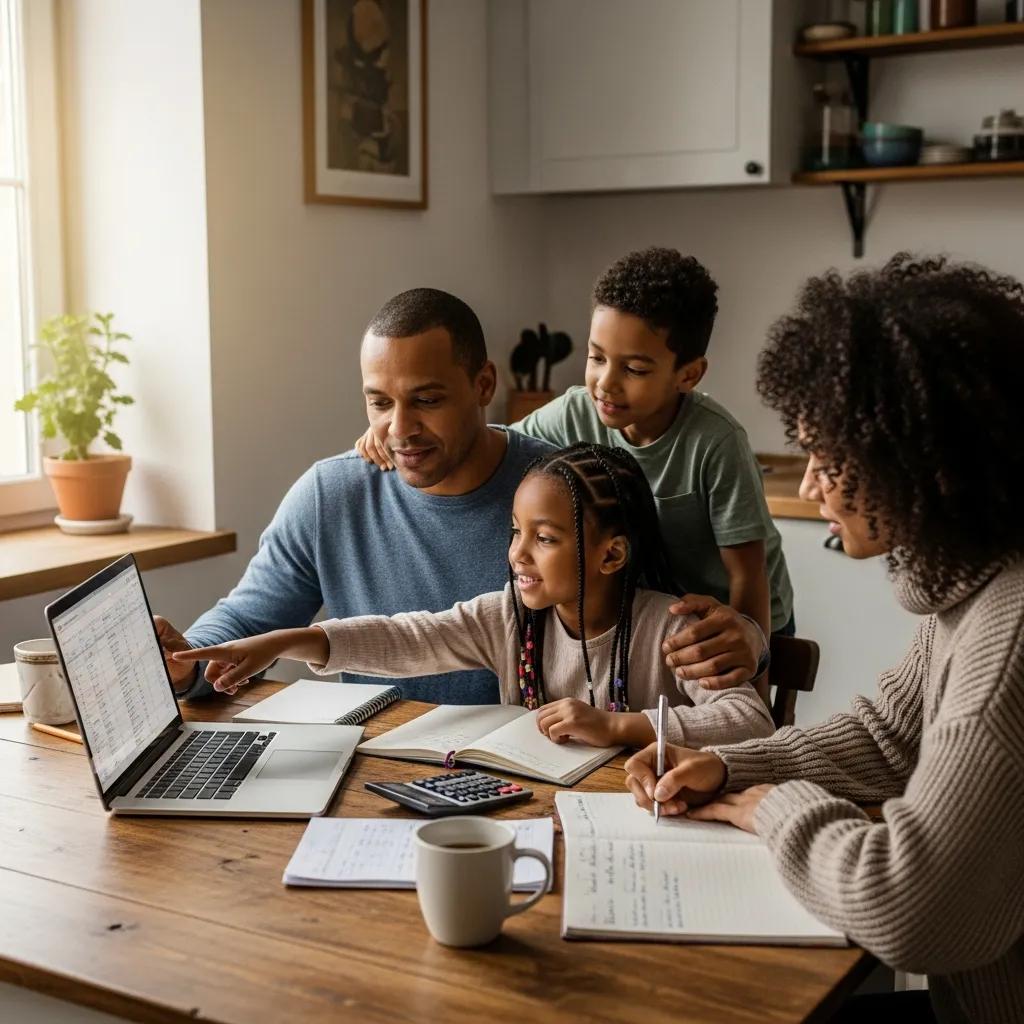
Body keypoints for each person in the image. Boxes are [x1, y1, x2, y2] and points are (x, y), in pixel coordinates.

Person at [623, 254, 1024, 1023]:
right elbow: (888, 734)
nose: (807, 487)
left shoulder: (1006, 633)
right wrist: (727, 763)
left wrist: (770, 806)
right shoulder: (979, 584)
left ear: (920, 465)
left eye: (828, 459)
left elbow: (910, 906)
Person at [156, 288, 765, 706]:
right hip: (371, 772)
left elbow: (661, 621)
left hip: (530, 771)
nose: (399, 430)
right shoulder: (331, 493)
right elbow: (247, 621)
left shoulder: (556, 493)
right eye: (379, 402)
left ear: (483, 385)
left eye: (426, 400)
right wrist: (184, 663)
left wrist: (748, 638)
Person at [357, 249, 793, 701]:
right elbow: (490, 443)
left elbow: (748, 574)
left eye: (635, 369)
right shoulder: (574, 412)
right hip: (650, 610)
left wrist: (752, 661)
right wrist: (392, 429)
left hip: (731, 613)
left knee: (726, 716)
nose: (606, 382)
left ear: (688, 374)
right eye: (597, 357)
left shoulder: (716, 442)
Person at [172, 444, 774, 749]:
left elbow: (750, 719)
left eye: (544, 539)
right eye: (516, 532)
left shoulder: (671, 630)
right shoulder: (508, 619)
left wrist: (620, 727)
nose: (517, 554)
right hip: (541, 816)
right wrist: (284, 642)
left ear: (612, 555)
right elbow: (407, 638)